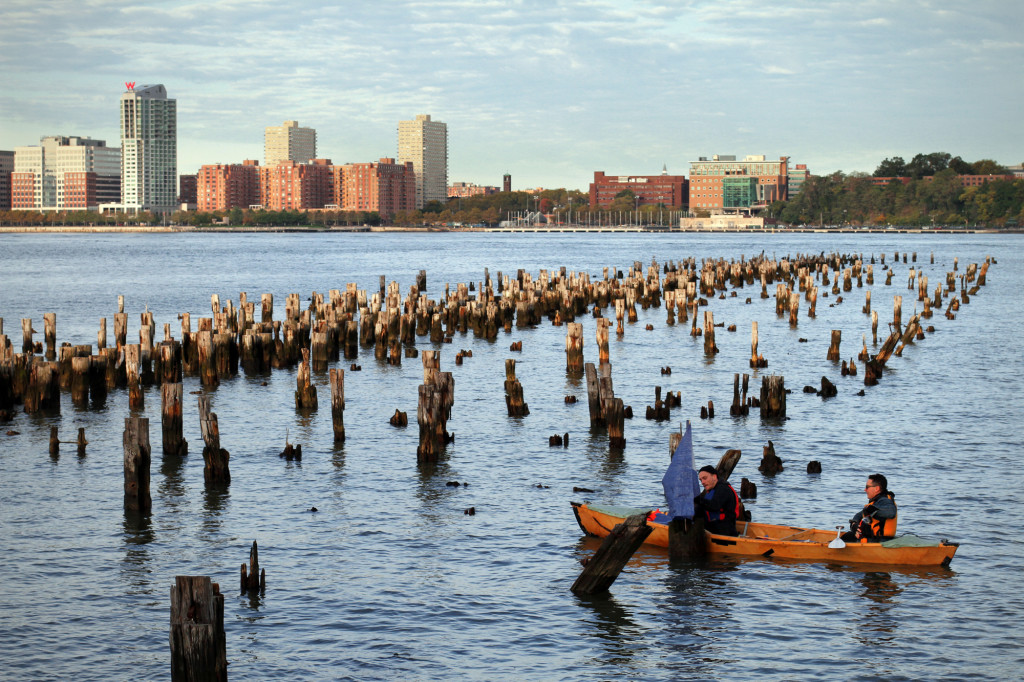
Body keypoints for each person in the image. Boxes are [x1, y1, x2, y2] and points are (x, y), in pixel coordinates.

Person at [841, 474, 897, 542]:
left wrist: (872, 511)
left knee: (846, 539)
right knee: (848, 536)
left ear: (877, 489)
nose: (865, 490)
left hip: (879, 540)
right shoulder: (876, 501)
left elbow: (891, 513)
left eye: (867, 487)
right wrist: (855, 524)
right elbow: (859, 515)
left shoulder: (885, 501)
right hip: (873, 538)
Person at [694, 465, 741, 536]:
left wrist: (697, 499)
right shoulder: (712, 490)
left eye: (705, 478)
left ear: (714, 477)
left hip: (725, 532)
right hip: (713, 527)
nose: (702, 482)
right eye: (701, 480)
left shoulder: (724, 489)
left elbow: (714, 506)